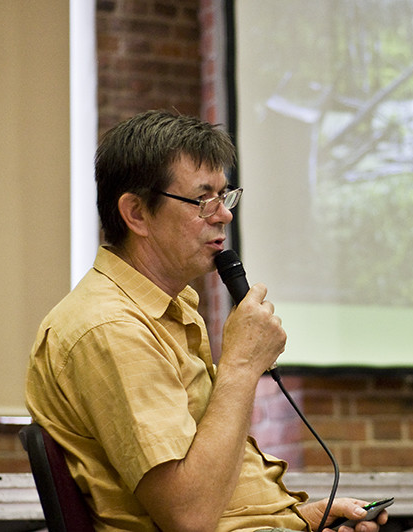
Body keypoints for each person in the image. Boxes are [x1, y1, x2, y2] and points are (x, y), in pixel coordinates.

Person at [25, 110, 388, 532]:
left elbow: (219, 497)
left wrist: (303, 520)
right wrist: (241, 364)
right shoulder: (110, 328)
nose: (223, 215)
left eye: (225, 195)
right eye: (202, 200)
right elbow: (189, 517)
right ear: (137, 214)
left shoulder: (168, 309)